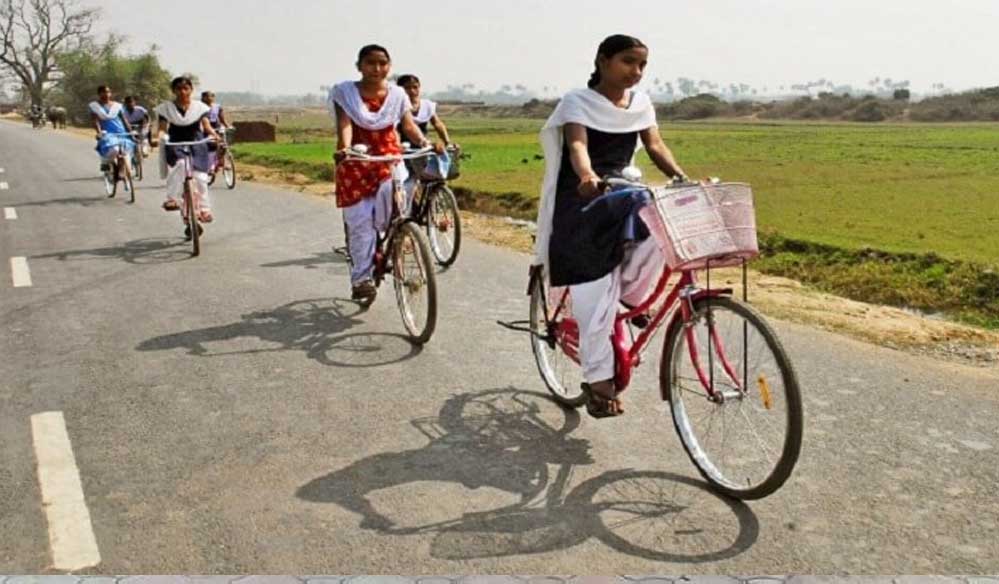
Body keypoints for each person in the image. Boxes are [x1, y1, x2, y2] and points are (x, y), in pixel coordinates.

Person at [533, 34, 690, 419]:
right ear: (603, 61)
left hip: (623, 190)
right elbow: (577, 146)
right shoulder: (578, 101)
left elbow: (655, 145)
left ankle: (631, 295)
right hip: (583, 197)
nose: (636, 71)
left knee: (662, 215)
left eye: (642, 65)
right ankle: (599, 382)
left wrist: (682, 178)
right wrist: (587, 176)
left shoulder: (641, 103)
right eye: (628, 62)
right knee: (595, 284)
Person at [328, 44, 442, 303]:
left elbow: (408, 126)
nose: (377, 68)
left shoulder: (397, 94)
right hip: (357, 161)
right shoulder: (345, 93)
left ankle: (394, 243)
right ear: (359, 66)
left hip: (388, 160)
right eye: (370, 63)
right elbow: (345, 124)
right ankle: (362, 279)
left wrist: (425, 143)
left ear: (389, 67)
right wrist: (345, 149)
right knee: (361, 224)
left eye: (383, 63)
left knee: (395, 208)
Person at [150, 77, 220, 236]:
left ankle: (204, 209)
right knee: (180, 165)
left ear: (191, 90)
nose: (182, 92)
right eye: (179, 89)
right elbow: (162, 129)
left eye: (186, 88)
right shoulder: (166, 109)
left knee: (201, 178)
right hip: (176, 142)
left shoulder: (200, 108)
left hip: (197, 142)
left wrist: (214, 135)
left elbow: (206, 126)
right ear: (173, 91)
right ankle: (172, 199)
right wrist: (158, 138)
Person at [89, 86, 135, 179]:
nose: (106, 94)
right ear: (99, 94)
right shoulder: (94, 106)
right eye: (103, 92)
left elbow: (124, 120)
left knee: (124, 150)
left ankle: (121, 171)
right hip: (107, 133)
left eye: (108, 92)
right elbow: (95, 120)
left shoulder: (117, 106)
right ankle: (106, 162)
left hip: (121, 131)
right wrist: (99, 132)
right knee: (115, 150)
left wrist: (131, 132)